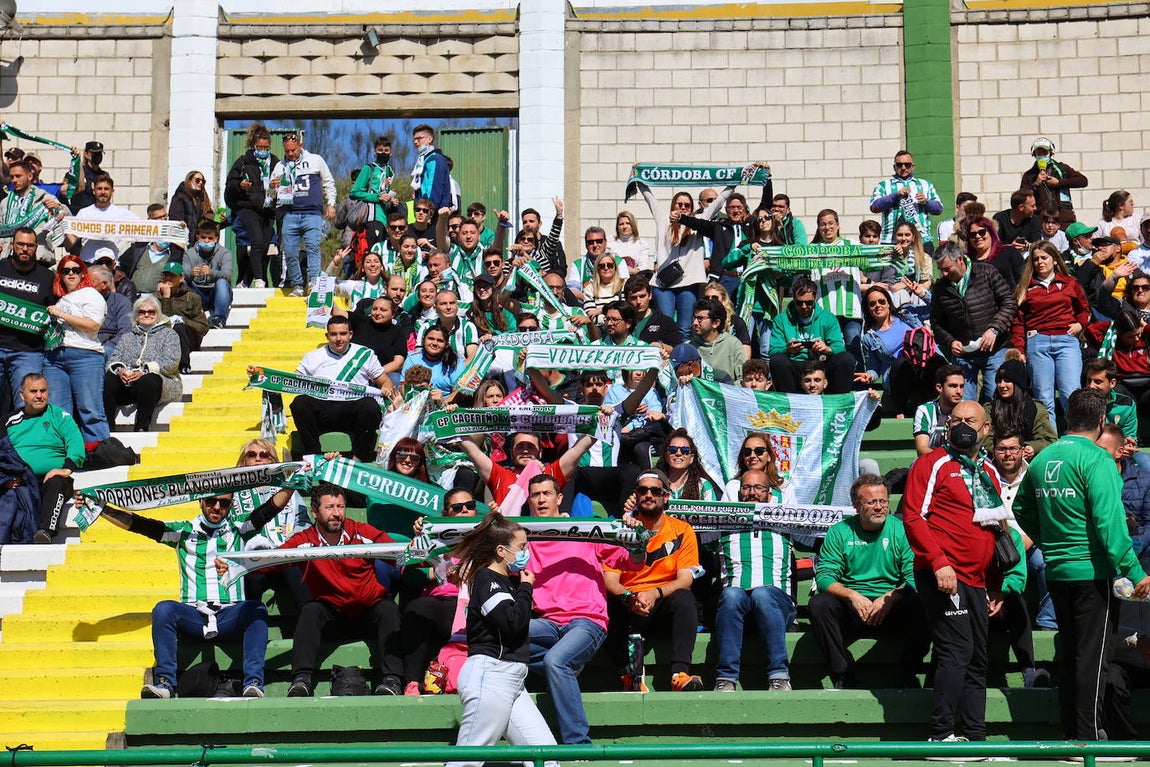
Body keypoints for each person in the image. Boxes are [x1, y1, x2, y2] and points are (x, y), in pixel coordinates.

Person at [1015, 389, 1150, 741]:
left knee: (1073, 655)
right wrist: (1136, 572)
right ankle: (1086, 740)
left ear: (1068, 416)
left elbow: (1021, 510)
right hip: (1092, 574)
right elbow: (1110, 525)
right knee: (1093, 660)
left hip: (1058, 572)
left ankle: (1071, 736)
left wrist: (1050, 541)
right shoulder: (1098, 460)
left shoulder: (1044, 458)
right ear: (1101, 420)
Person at [92, 487, 297, 699]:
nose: (217, 507)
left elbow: (272, 507)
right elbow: (137, 524)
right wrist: (100, 508)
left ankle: (253, 684)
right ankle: (165, 684)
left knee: (256, 609)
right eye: (211, 500)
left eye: (224, 503)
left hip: (229, 615)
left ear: (231, 505)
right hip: (194, 616)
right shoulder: (183, 531)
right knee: (163, 609)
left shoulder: (240, 528)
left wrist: (293, 482)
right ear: (200, 501)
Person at [904, 399, 1006, 746]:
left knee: (978, 657)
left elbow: (995, 527)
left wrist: (995, 583)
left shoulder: (989, 470)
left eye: (970, 420)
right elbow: (914, 516)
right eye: (955, 419)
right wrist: (939, 562)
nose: (961, 425)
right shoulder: (931, 463)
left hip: (978, 579)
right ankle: (941, 734)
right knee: (957, 650)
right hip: (944, 574)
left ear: (985, 429)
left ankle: (975, 736)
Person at [525, 473, 644, 744]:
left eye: (546, 493)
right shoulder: (524, 536)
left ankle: (578, 743)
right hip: (548, 623)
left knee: (556, 662)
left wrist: (637, 540)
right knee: (499, 637)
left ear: (559, 498)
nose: (541, 499)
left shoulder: (584, 528)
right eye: (535, 495)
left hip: (586, 620)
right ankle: (567, 666)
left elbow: (632, 562)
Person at [262, 482, 403, 697]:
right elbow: (269, 562)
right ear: (315, 512)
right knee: (311, 610)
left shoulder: (361, 532)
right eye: (329, 507)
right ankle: (301, 680)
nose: (336, 513)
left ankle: (392, 680)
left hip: (368, 612)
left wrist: (432, 557)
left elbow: (400, 555)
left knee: (389, 609)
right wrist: (234, 566)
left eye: (340, 506)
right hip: (332, 617)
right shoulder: (305, 540)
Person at [442, 512, 558, 767]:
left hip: (513, 679)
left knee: (546, 757)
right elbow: (512, 622)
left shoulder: (507, 582)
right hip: (490, 676)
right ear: (501, 551)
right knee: (467, 762)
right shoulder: (486, 579)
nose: (526, 552)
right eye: (522, 547)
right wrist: (526, 588)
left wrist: (522, 588)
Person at [809, 474, 928, 689]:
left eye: (883, 501)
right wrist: (852, 595)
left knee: (925, 602)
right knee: (819, 604)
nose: (879, 507)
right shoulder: (839, 532)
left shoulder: (901, 530)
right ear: (856, 505)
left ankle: (908, 673)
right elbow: (825, 576)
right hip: (854, 608)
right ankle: (842, 674)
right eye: (872, 502)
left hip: (891, 607)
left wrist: (892, 597)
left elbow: (914, 576)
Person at [604, 468, 704, 692]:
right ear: (636, 495)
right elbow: (610, 580)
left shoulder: (682, 530)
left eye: (655, 491)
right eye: (643, 490)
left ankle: (679, 674)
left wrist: (654, 593)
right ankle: (629, 675)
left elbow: (685, 579)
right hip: (630, 602)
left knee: (685, 598)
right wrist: (631, 597)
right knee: (607, 601)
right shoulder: (621, 530)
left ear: (666, 496)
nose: (648, 495)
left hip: (663, 604)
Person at [712, 469, 797, 692]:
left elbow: (820, 533)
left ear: (769, 494)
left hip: (777, 604)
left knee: (762, 593)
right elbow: (687, 529)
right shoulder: (724, 521)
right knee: (731, 595)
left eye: (759, 488)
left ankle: (779, 676)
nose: (752, 492)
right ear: (739, 492)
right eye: (747, 487)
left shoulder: (786, 519)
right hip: (738, 604)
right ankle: (725, 678)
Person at [395, 488, 477, 695]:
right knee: (418, 608)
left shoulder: (487, 537)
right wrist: (438, 572)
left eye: (470, 506)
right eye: (457, 508)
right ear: (446, 513)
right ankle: (412, 682)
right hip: (441, 603)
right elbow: (409, 575)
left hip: (475, 602)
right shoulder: (431, 537)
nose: (465, 510)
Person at [286, 316, 390, 462]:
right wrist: (267, 380)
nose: (338, 339)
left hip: (353, 410)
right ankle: (314, 454)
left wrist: (386, 389)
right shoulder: (313, 356)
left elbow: (386, 382)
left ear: (350, 334)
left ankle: (359, 457)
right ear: (327, 336)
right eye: (334, 334)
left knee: (370, 406)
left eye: (343, 334)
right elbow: (293, 380)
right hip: (323, 410)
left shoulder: (365, 354)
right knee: (299, 403)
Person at [1011, 241, 1090, 426]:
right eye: (1035, 259)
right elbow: (1018, 323)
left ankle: (1076, 435)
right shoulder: (1024, 287)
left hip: (1066, 341)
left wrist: (1080, 324)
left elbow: (1084, 309)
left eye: (1044, 257)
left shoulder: (1069, 282)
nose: (1040, 262)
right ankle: (1049, 438)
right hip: (1037, 342)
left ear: (1054, 259)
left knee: (1071, 393)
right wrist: (1019, 350)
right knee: (1043, 397)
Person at [929, 242, 1018, 403]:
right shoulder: (940, 288)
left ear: (960, 260)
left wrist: (994, 329)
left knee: (995, 398)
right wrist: (950, 341)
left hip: (995, 349)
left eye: (947, 268)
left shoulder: (987, 272)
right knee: (963, 403)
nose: (944, 273)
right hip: (964, 354)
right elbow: (936, 323)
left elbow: (1009, 302)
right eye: (941, 269)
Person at [5, 374, 84, 544]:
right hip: (22, 481)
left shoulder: (60, 416)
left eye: (43, 390)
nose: (39, 395)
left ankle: (45, 532)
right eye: (34, 391)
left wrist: (65, 469)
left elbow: (76, 444)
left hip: (53, 481)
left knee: (56, 481)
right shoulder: (8, 421)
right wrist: (5, 479)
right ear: (22, 395)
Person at [43, 256, 108, 448]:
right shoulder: (59, 299)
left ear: (83, 274)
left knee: (90, 410)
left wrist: (61, 314)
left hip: (85, 356)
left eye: (76, 270)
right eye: (66, 271)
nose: (71, 274)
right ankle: (65, 455)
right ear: (60, 275)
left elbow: (93, 325)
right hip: (54, 358)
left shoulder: (91, 294)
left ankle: (100, 453)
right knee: (59, 413)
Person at [102, 295, 182, 433]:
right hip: (129, 383)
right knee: (109, 378)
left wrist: (145, 371)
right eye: (142, 312)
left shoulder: (169, 334)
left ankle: (141, 427)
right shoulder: (128, 336)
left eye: (151, 312)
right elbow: (113, 358)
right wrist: (120, 370)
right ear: (136, 315)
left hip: (160, 384)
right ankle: (107, 427)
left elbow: (171, 362)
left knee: (148, 380)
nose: (146, 315)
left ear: (158, 314)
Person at [271, 132, 337, 295]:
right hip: (289, 213)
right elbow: (271, 194)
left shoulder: (315, 160)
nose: (290, 153)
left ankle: (313, 282)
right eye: (287, 151)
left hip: (312, 213)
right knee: (289, 251)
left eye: (293, 150)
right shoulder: (280, 166)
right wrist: (272, 187)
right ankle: (297, 285)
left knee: (313, 247)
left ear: (300, 146)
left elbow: (328, 182)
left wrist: (331, 204)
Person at [768, 276, 855, 394]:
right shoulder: (781, 319)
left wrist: (828, 349)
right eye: (799, 303)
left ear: (815, 299)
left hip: (821, 363)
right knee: (777, 360)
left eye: (808, 303)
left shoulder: (828, 318)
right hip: (795, 364)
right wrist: (787, 350)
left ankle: (836, 401)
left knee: (846, 359)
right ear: (793, 299)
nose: (804, 306)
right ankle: (789, 400)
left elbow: (839, 347)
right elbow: (773, 351)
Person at [0, 227, 54, 414]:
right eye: (20, 244)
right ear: (12, 245)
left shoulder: (48, 277)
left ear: (36, 247)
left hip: (28, 352)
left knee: (29, 406)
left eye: (30, 245)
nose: (25, 249)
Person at [224, 124, 277, 288]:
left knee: (265, 245)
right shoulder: (243, 161)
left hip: (268, 209)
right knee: (257, 240)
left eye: (266, 147)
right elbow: (230, 184)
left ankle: (245, 281)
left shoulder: (275, 162)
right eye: (260, 147)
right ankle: (259, 279)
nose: (263, 150)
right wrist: (240, 185)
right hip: (247, 207)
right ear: (254, 145)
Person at [868, 150, 943, 252]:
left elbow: (938, 209)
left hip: (921, 240)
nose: (903, 168)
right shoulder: (883, 185)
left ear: (913, 166)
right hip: (891, 241)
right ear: (894, 167)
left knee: (923, 263)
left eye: (907, 165)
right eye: (899, 165)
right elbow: (874, 207)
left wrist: (926, 202)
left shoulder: (925, 184)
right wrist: (896, 196)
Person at [982, 359, 1056, 459]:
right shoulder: (990, 409)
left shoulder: (1036, 409)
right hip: (997, 460)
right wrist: (1003, 450)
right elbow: (985, 439)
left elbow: (1049, 440)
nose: (1002, 385)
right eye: (999, 381)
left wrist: (1032, 448)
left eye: (1007, 381)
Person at [156, 262, 208, 376]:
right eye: (166, 275)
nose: (168, 278)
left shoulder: (192, 297)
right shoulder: (157, 297)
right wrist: (166, 298)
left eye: (172, 275)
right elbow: (162, 321)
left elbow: (203, 327)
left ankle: (184, 365)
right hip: (164, 337)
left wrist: (184, 321)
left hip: (188, 339)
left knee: (179, 327)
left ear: (181, 278)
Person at [348, 135, 398, 249]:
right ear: (374, 152)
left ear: (391, 153)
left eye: (386, 150)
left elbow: (384, 192)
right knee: (373, 250)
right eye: (380, 150)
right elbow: (354, 192)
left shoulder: (389, 171)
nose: (383, 153)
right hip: (372, 215)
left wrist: (391, 200)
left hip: (385, 219)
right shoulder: (369, 168)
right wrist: (377, 197)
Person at [182, 221, 233, 329]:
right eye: (203, 237)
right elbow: (183, 273)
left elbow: (228, 275)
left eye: (210, 238)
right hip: (197, 293)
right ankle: (184, 315)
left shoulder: (225, 253)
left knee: (222, 282)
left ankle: (218, 319)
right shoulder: (189, 253)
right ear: (197, 237)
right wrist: (191, 273)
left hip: (216, 294)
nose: (206, 241)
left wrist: (212, 273)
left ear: (216, 239)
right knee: (184, 282)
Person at [348, 297, 406, 385]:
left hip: (379, 376)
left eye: (383, 310)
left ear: (393, 314)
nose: (377, 313)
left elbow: (398, 362)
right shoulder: (360, 321)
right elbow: (336, 312)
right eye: (374, 309)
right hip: (352, 370)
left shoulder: (398, 333)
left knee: (395, 378)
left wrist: (376, 374)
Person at [913, 364, 966, 457]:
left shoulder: (968, 410)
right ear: (939, 387)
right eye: (953, 386)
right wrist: (945, 461)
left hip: (960, 461)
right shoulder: (925, 410)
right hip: (930, 460)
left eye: (961, 386)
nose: (959, 391)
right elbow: (922, 449)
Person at [688, 297, 745, 381]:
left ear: (716, 323)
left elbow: (743, 379)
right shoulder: (690, 346)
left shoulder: (733, 345)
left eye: (700, 319)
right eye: (694, 318)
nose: (695, 323)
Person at [401, 324, 461, 396]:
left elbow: (458, 392)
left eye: (440, 341)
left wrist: (443, 402)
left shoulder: (454, 361)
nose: (435, 343)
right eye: (431, 339)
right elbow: (404, 387)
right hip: (415, 399)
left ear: (446, 345)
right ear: (423, 340)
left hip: (446, 401)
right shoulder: (412, 358)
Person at [409, 124, 453, 214]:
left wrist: (429, 210)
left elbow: (435, 187)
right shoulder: (422, 160)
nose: (415, 142)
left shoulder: (434, 160)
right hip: (423, 210)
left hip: (431, 212)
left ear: (429, 139)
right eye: (414, 139)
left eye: (419, 139)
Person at [168, 170, 213, 248]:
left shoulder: (202, 199)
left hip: (197, 243)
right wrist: (179, 222)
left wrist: (222, 219)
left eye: (203, 181)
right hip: (181, 243)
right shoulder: (180, 197)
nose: (201, 183)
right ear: (189, 181)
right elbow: (175, 218)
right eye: (197, 180)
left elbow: (210, 218)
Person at [582, 252, 626, 326]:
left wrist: (601, 310)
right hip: (600, 328)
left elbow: (626, 311)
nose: (606, 268)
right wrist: (612, 320)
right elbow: (591, 317)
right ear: (597, 268)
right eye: (602, 266)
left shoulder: (624, 284)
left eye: (610, 265)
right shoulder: (590, 289)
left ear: (615, 267)